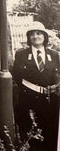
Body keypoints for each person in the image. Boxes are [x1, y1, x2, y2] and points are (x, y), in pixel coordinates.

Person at [13, 21, 60, 151]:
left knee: (50, 137)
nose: (35, 36)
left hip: (50, 103)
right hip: (29, 102)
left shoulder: (54, 55)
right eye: (32, 34)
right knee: (31, 138)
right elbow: (17, 76)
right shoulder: (21, 54)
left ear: (44, 36)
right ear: (28, 38)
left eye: (39, 33)